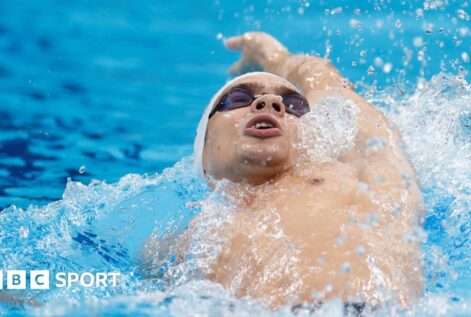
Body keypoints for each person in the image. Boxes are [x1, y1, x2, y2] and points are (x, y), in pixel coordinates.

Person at [145, 32, 425, 312]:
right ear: (203, 153)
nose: (269, 103)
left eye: (293, 106)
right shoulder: (182, 243)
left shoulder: (355, 177)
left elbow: (340, 97)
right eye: (239, 98)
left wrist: (276, 58)